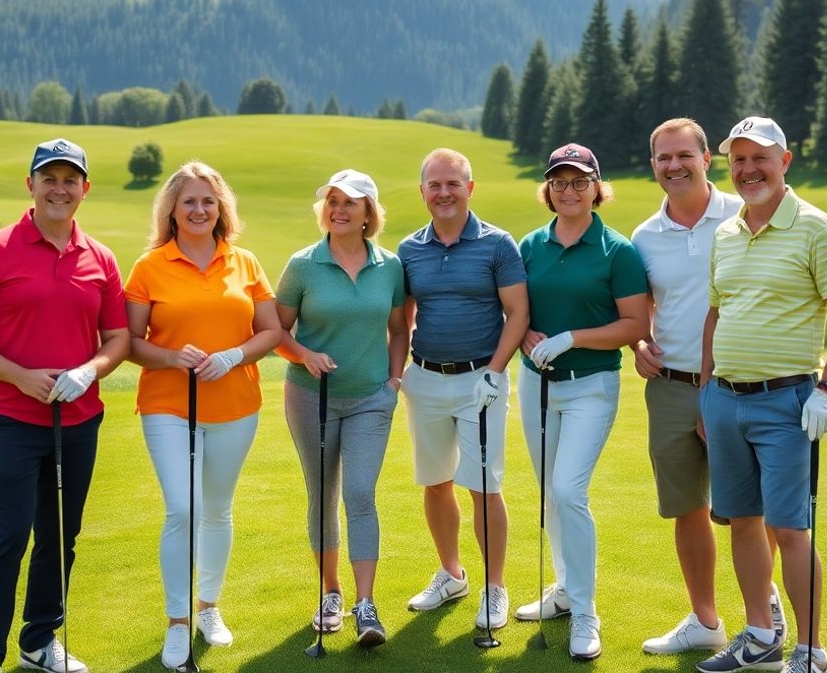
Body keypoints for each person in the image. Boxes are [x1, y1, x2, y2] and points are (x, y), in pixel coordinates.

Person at [0, 138, 131, 673]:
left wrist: (89, 370)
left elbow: (117, 338)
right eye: (48, 178)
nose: (59, 188)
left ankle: (39, 642)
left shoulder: (100, 258)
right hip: (10, 418)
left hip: (78, 420)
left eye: (69, 179)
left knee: (59, 538)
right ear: (30, 185)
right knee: (6, 538)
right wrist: (21, 377)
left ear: (84, 189)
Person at [697, 117, 827, 673]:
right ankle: (760, 638)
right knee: (742, 521)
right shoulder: (725, 232)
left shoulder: (815, 227)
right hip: (725, 399)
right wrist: (704, 390)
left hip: (788, 402)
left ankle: (811, 651)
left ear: (785, 161)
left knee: (790, 528)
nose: (748, 170)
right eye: (738, 161)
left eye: (759, 158)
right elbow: (716, 314)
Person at [630, 119, 787, 655]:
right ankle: (705, 621)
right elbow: (641, 311)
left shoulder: (745, 213)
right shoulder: (644, 236)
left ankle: (764, 615)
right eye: (662, 158)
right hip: (670, 386)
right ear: (653, 165)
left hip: (737, 385)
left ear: (705, 158)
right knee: (685, 507)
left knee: (749, 509)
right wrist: (639, 345)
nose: (673, 166)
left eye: (683, 155)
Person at [123, 160, 283, 670]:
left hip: (236, 405)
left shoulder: (245, 262)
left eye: (208, 201)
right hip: (168, 405)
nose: (198, 209)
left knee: (217, 509)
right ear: (171, 209)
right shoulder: (149, 267)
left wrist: (233, 356)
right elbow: (128, 342)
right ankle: (177, 622)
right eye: (188, 201)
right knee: (183, 508)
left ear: (221, 209)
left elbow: (271, 331)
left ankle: (208, 608)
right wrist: (172, 357)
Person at [513, 142, 648, 661]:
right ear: (549, 190)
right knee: (550, 491)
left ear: (597, 187)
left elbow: (635, 325)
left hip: (591, 385)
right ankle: (565, 591)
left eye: (580, 181)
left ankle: (587, 612)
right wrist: (526, 339)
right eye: (560, 182)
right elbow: (517, 310)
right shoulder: (530, 245)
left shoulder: (618, 250)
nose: (569, 191)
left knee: (569, 490)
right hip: (536, 383)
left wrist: (570, 337)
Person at [275, 169, 409, 647]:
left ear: (369, 212)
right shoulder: (303, 265)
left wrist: (394, 380)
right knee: (323, 492)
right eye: (332, 200)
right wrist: (305, 355)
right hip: (312, 397)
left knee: (359, 493)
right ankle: (330, 593)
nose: (339, 208)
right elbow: (278, 333)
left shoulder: (390, 266)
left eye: (350, 202)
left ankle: (365, 605)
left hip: (372, 398)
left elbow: (399, 329)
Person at [398, 147, 529, 632]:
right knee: (435, 481)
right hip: (426, 377)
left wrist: (496, 371)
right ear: (423, 192)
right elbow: (402, 318)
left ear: (470, 188)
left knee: (483, 485)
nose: (444, 192)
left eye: (453, 183)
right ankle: (452, 574)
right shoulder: (409, 249)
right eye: (435, 184)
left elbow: (518, 313)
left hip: (483, 379)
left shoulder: (498, 244)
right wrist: (401, 374)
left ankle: (495, 587)